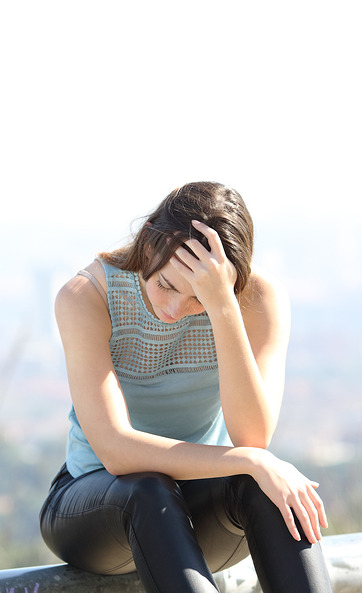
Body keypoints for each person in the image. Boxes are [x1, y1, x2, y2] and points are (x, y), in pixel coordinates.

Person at [39, 182, 332, 593]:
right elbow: (116, 450)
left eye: (197, 297)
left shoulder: (257, 298)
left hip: (199, 512)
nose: (175, 309)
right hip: (100, 510)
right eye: (167, 285)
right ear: (148, 245)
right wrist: (250, 460)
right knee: (149, 486)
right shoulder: (88, 295)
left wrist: (222, 307)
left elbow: (252, 436)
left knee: (267, 484)